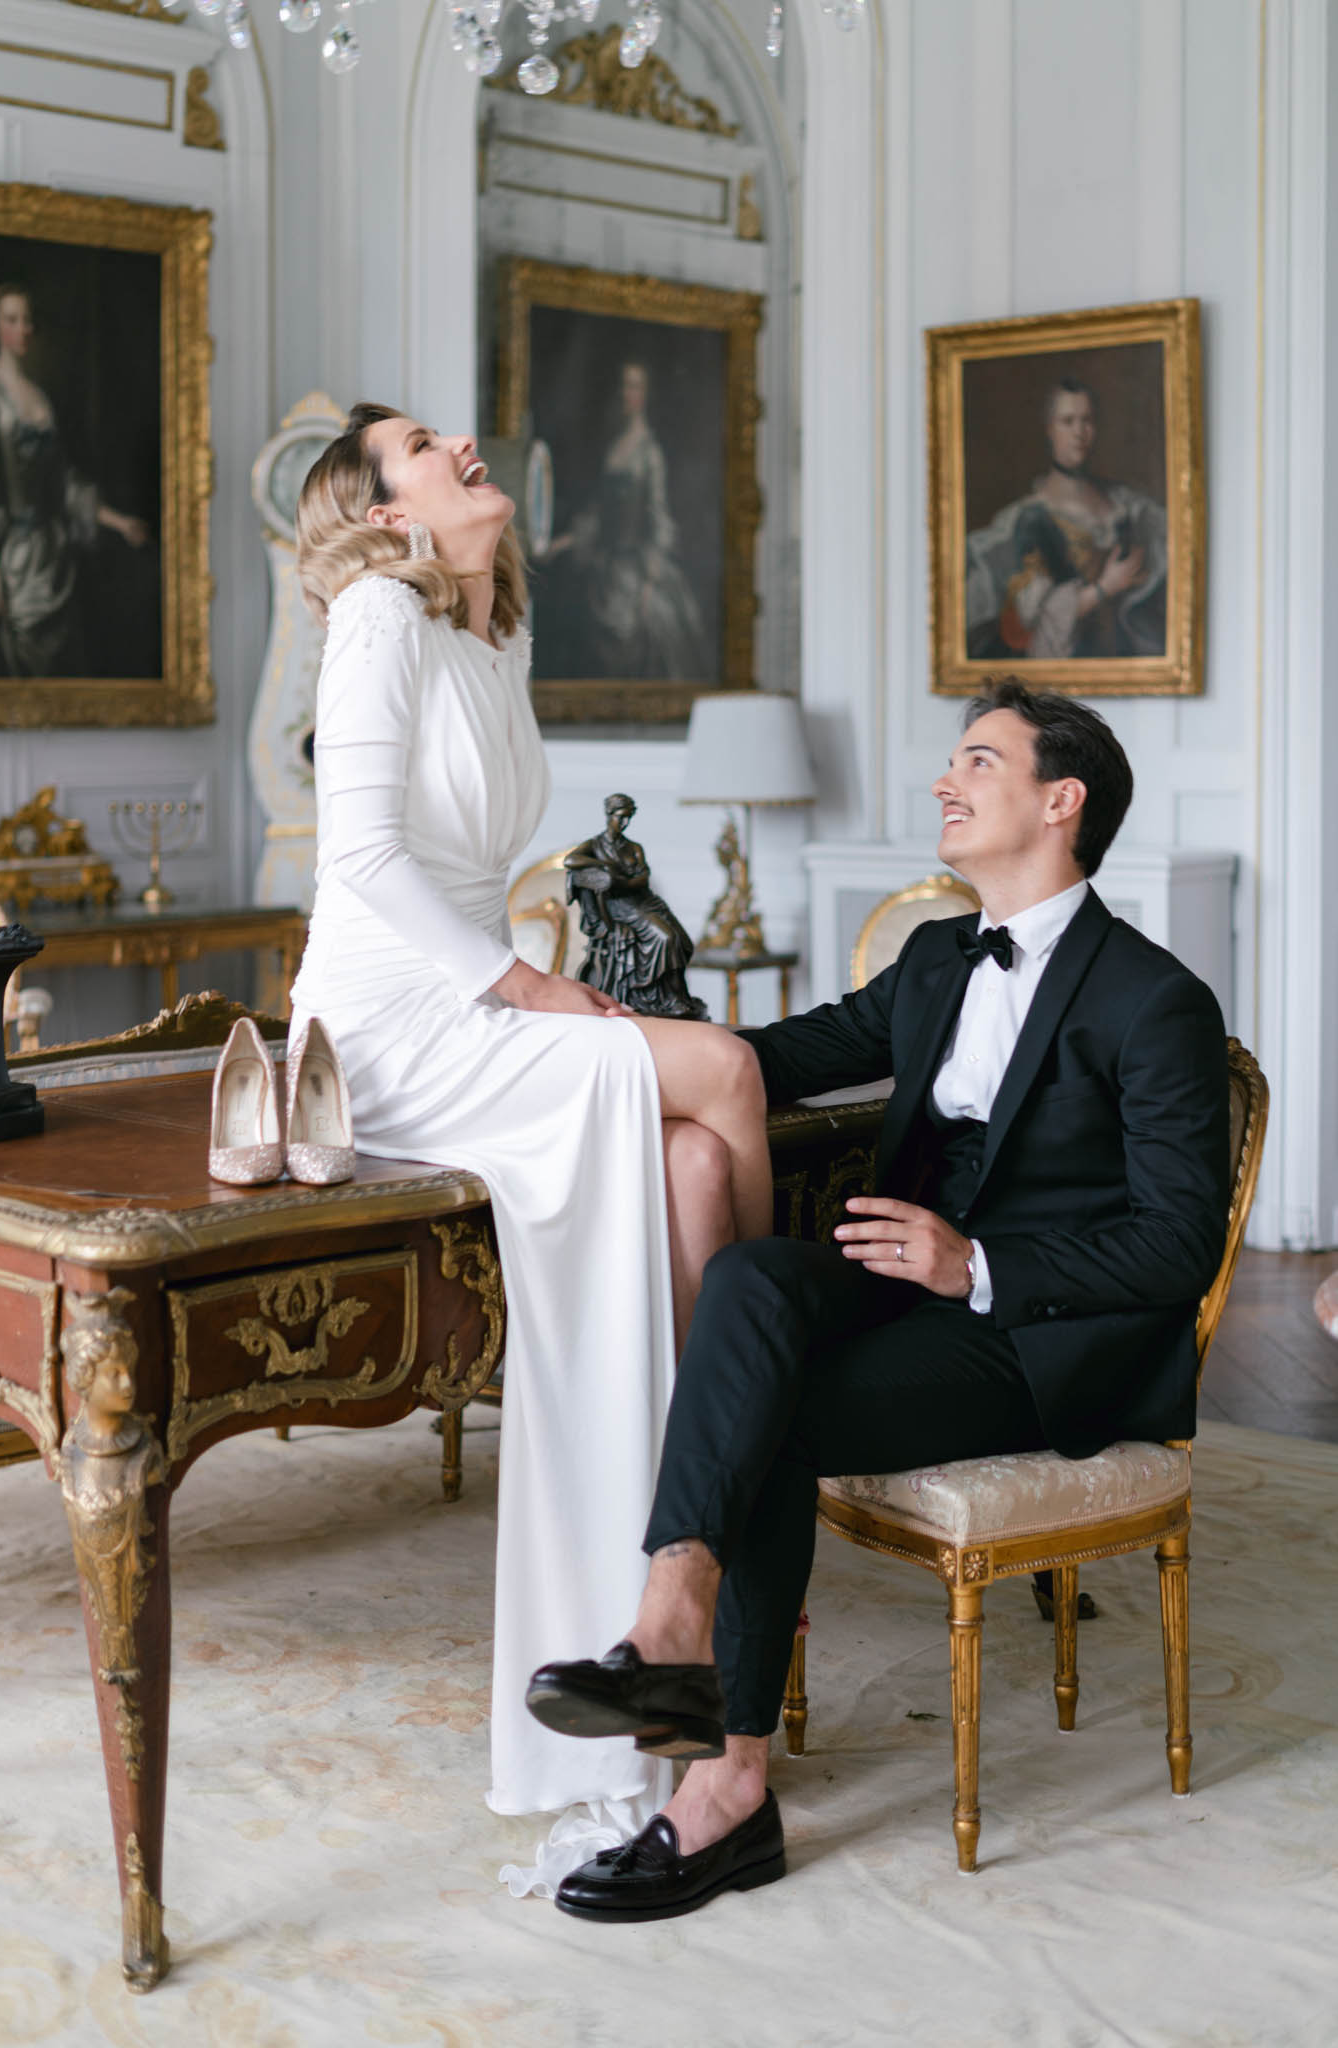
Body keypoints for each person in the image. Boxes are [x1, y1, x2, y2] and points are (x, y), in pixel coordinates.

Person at [527, 677, 1232, 1920]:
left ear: (1059, 801)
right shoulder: (932, 957)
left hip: (1036, 1338)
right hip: (899, 1289)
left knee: (771, 1411)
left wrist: (977, 1266)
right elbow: (766, 1055)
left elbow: (1177, 1244)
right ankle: (672, 1613)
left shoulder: (1154, 999)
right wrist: (584, 1019)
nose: (941, 783)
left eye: (975, 761)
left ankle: (724, 1787)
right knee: (749, 1277)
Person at [289, 402, 769, 1895]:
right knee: (728, 1070)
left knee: (693, 1169)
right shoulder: (376, 612)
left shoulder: (493, 637)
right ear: (379, 513)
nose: (462, 448)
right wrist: (523, 986)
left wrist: (524, 983)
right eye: (421, 448)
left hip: (479, 1004)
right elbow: (360, 861)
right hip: (391, 1029)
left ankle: (672, 1607)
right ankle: (750, 1492)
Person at [0, 284, 149, 678]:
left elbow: (64, 483)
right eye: (12, 320)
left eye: (28, 320)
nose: (24, 329)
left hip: (51, 555)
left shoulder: (39, 398)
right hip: (8, 558)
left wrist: (119, 522)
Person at [965, 378, 1167, 662]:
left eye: (1087, 421)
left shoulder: (1128, 506)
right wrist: (1104, 588)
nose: (1079, 433)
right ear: (1050, 430)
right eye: (1067, 421)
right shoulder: (1028, 519)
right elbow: (1031, 619)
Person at [540, 361, 711, 680]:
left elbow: (659, 520)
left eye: (634, 386)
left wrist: (648, 584)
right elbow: (597, 515)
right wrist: (562, 542)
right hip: (606, 566)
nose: (626, 393)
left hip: (637, 569)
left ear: (644, 395)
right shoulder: (613, 448)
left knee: (645, 632)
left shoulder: (650, 453)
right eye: (622, 385)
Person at [564, 793, 707, 1019]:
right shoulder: (595, 845)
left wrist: (618, 881)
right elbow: (570, 861)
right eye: (620, 817)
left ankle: (674, 997)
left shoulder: (634, 848)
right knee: (666, 938)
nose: (624, 823)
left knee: (682, 941)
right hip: (619, 908)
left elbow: (643, 879)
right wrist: (604, 866)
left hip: (644, 901)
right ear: (609, 815)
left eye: (628, 818)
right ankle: (665, 998)